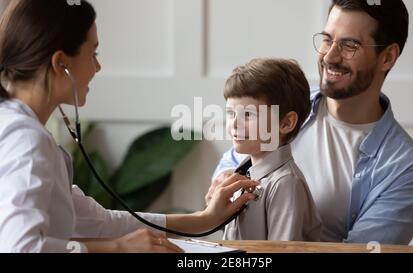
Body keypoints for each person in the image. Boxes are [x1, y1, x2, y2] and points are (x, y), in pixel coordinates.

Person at [0, 0, 258, 253]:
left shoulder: (19, 129)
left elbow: (97, 223)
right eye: (93, 53)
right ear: (61, 63)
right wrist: (119, 248)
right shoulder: (26, 140)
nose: (98, 67)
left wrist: (204, 219)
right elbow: (21, 247)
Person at [207, 0, 413, 245]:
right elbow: (231, 166)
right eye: (327, 39)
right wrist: (224, 185)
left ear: (387, 57)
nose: (330, 56)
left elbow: (360, 254)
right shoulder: (285, 106)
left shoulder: (405, 169)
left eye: (350, 45)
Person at [221, 58, 321, 241]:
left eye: (248, 114)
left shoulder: (286, 184)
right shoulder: (242, 178)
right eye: (231, 113)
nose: (234, 124)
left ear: (286, 123)